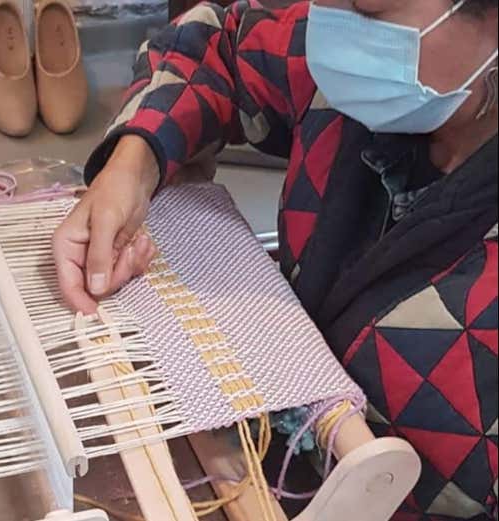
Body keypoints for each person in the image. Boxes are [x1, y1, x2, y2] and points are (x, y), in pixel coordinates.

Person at [52, 0, 499, 519]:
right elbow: (214, 46)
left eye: (371, 13)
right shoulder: (339, 73)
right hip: (263, 460)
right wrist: (131, 166)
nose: (336, 32)